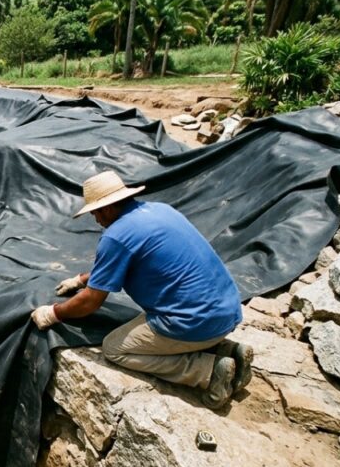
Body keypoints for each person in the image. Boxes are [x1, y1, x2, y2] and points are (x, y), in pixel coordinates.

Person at [31, 171, 251, 408]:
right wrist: (83, 279)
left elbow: (91, 302)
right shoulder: (160, 210)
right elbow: (127, 261)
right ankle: (230, 350)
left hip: (195, 322)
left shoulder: (116, 236)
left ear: (105, 208)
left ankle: (208, 372)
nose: (95, 219)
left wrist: (54, 313)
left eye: (95, 212)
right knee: (178, 319)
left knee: (115, 349)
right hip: (228, 310)